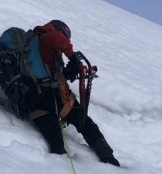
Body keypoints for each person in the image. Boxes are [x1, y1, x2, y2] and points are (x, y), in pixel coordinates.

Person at [25, 20, 120, 166]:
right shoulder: (46, 39)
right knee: (79, 125)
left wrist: (68, 72)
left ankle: (107, 157)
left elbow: (52, 72)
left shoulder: (39, 48)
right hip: (45, 99)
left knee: (81, 122)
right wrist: (72, 56)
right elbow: (57, 39)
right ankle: (108, 158)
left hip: (44, 100)